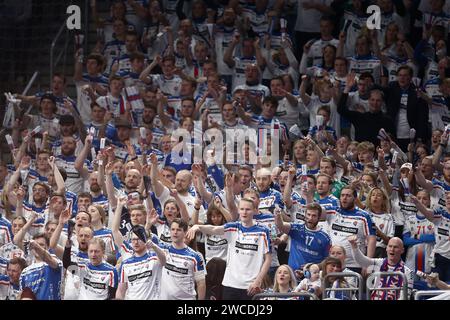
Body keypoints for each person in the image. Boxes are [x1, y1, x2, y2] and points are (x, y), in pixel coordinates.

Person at [187, 198, 271, 300]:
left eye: (248, 209)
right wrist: (198, 227)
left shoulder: (263, 231)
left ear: (254, 210)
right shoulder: (233, 228)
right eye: (242, 209)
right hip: (230, 284)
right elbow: (214, 229)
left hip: (250, 286)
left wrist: (258, 280)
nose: (244, 212)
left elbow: (268, 259)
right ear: (238, 210)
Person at [349, 235, 414, 300]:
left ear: (402, 250)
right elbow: (361, 261)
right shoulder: (379, 263)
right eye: (390, 246)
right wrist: (354, 246)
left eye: (395, 247)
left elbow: (405, 297)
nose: (392, 249)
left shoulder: (407, 272)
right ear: (386, 248)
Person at [275, 203, 331, 272]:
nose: (310, 218)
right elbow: (281, 225)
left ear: (319, 218)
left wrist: (316, 266)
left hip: (312, 277)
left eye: (314, 216)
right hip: (292, 275)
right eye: (308, 215)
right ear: (305, 215)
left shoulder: (325, 238)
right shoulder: (296, 228)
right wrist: (278, 216)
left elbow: (328, 259)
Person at [116, 225, 167, 300]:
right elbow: (121, 290)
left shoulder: (154, 258)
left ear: (145, 240)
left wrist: (154, 246)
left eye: (139, 239)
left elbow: (164, 260)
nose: (136, 242)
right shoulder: (126, 264)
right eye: (133, 239)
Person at [160, 218, 206, 300]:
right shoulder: (163, 250)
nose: (175, 232)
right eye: (173, 229)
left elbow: (201, 283)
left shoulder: (195, 256)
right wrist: (148, 224)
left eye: (179, 230)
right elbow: (144, 241)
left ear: (185, 232)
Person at [19, 233, 63, 300]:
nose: (37, 248)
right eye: (34, 246)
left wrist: (36, 246)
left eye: (41, 245)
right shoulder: (25, 272)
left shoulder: (56, 262)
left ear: (48, 247)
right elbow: (22, 296)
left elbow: (49, 259)